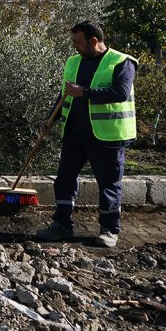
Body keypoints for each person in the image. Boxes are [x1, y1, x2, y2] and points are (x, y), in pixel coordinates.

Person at [36, 22, 137, 249]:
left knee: (109, 184)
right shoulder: (73, 62)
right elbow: (65, 95)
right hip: (75, 134)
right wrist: (51, 118)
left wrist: (84, 92)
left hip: (108, 135)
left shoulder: (122, 62)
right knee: (64, 179)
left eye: (78, 42)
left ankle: (109, 230)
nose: (75, 48)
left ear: (93, 40)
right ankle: (62, 224)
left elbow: (120, 93)